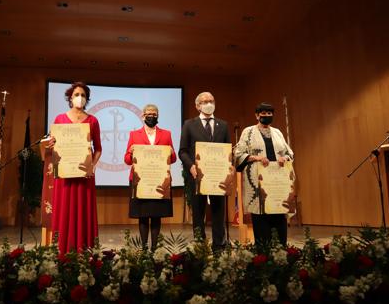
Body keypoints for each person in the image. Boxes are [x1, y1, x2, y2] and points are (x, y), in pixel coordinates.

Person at [48, 81, 102, 254]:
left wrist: (92, 166)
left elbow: (98, 149)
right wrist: (51, 144)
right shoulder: (59, 119)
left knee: (83, 212)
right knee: (64, 211)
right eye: (77, 95)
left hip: (85, 176)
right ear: (70, 98)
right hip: (64, 176)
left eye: (83, 95)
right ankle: (61, 250)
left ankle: (85, 250)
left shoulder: (93, 121)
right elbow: (53, 147)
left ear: (87, 99)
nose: (80, 98)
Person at [235, 102, 294, 247]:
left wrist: (284, 158)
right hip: (258, 182)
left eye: (269, 113)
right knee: (261, 217)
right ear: (257, 115)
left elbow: (289, 153)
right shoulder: (248, 132)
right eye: (263, 113)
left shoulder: (278, 132)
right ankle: (263, 252)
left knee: (279, 214)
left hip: (278, 181)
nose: (267, 116)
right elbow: (238, 153)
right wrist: (256, 158)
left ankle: (281, 250)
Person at [179, 92, 232, 252]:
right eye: (205, 101)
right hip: (196, 177)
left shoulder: (223, 125)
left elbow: (228, 149)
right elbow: (182, 151)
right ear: (197, 106)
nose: (209, 103)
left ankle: (219, 246)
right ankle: (200, 247)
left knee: (218, 212)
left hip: (218, 177)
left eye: (211, 100)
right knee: (198, 212)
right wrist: (191, 166)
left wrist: (229, 166)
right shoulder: (189, 124)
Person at [124, 104, 177, 250]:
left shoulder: (166, 134)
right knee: (143, 215)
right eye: (149, 114)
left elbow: (173, 159)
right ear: (143, 115)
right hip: (140, 182)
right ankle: (144, 247)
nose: (151, 116)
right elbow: (127, 160)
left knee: (156, 215)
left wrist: (171, 152)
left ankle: (154, 247)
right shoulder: (134, 135)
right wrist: (130, 152)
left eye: (154, 114)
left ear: (158, 116)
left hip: (159, 181)